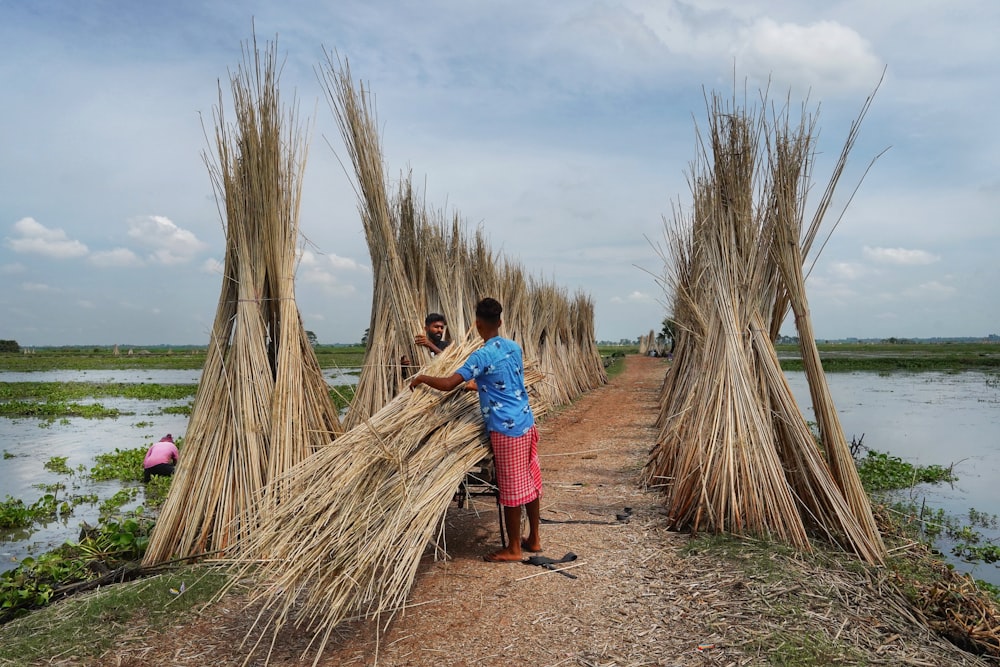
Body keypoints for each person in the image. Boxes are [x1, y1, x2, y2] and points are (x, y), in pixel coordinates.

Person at [409, 297, 542, 562]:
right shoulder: (514, 347)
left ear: (478, 324)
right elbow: (504, 380)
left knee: (511, 489)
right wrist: (480, 386)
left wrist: (423, 377)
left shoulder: (480, 355)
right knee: (531, 480)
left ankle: (514, 548)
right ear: (500, 322)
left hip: (506, 429)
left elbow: (448, 383)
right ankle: (534, 539)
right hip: (527, 422)